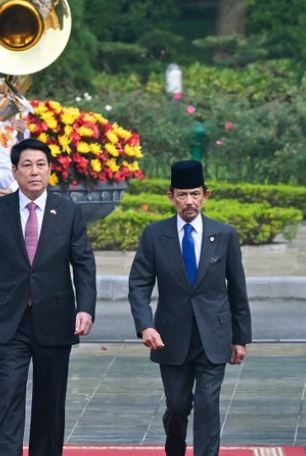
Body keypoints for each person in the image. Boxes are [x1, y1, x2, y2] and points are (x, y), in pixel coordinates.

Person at [0, 138, 97, 456]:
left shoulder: (68, 211)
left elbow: (83, 264)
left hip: (55, 319)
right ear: (14, 171)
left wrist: (85, 308)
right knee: (10, 394)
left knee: (50, 401)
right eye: (26, 165)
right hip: (9, 320)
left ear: (50, 170)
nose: (34, 172)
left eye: (40, 165)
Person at [128, 160, 253, 456]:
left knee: (209, 404)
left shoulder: (223, 235)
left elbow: (237, 289)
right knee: (178, 405)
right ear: (171, 196)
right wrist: (146, 325)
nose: (189, 201)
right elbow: (139, 285)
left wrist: (240, 338)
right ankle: (175, 447)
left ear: (206, 195)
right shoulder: (155, 235)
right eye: (182, 195)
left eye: (195, 194)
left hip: (214, 334)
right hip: (170, 336)